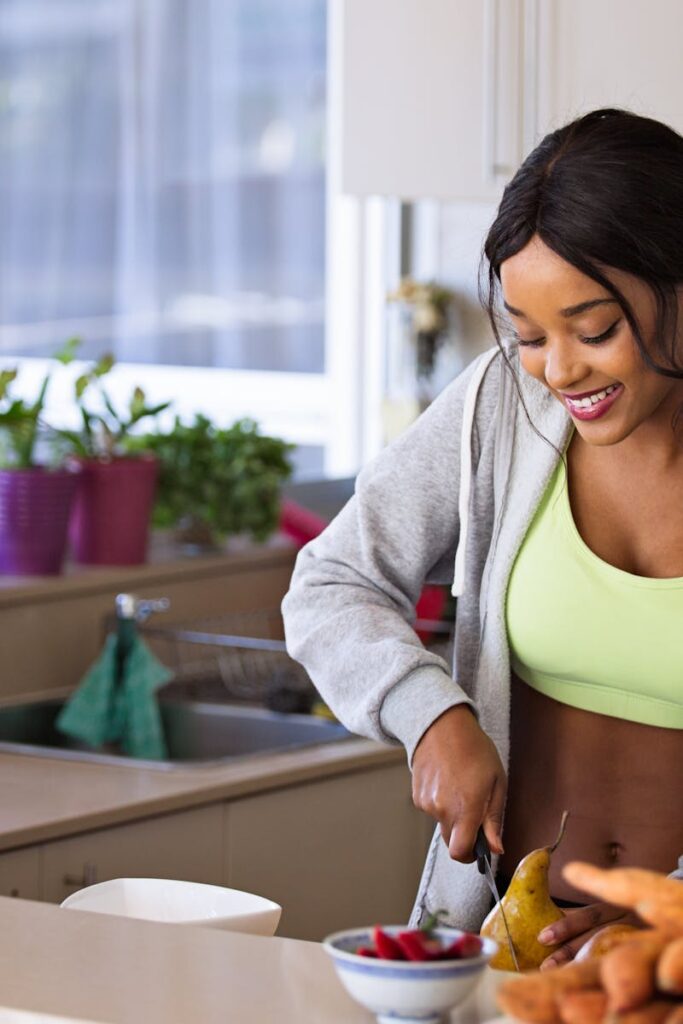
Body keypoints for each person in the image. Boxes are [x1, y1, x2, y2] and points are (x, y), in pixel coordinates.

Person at [282, 108, 683, 967]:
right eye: (529, 334)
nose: (559, 371)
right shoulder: (503, 404)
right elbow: (331, 582)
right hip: (507, 951)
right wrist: (430, 713)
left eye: (595, 328)